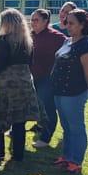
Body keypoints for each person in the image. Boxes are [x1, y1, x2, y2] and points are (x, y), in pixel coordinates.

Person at [0, 9, 40, 162]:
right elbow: (31, 63)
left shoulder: (4, 39)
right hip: (24, 81)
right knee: (19, 119)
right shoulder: (28, 40)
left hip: (7, 82)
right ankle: (18, 155)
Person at [51, 9, 88, 174]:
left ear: (83, 25)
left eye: (71, 23)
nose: (67, 26)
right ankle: (67, 156)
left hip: (74, 93)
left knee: (76, 127)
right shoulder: (68, 42)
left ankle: (76, 161)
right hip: (60, 91)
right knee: (66, 127)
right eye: (66, 22)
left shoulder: (86, 46)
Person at [28, 9, 67, 148]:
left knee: (47, 107)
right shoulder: (30, 35)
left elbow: (68, 51)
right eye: (32, 20)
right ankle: (20, 129)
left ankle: (45, 138)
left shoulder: (57, 37)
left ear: (46, 21)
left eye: (36, 20)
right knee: (33, 105)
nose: (33, 23)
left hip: (48, 78)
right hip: (32, 77)